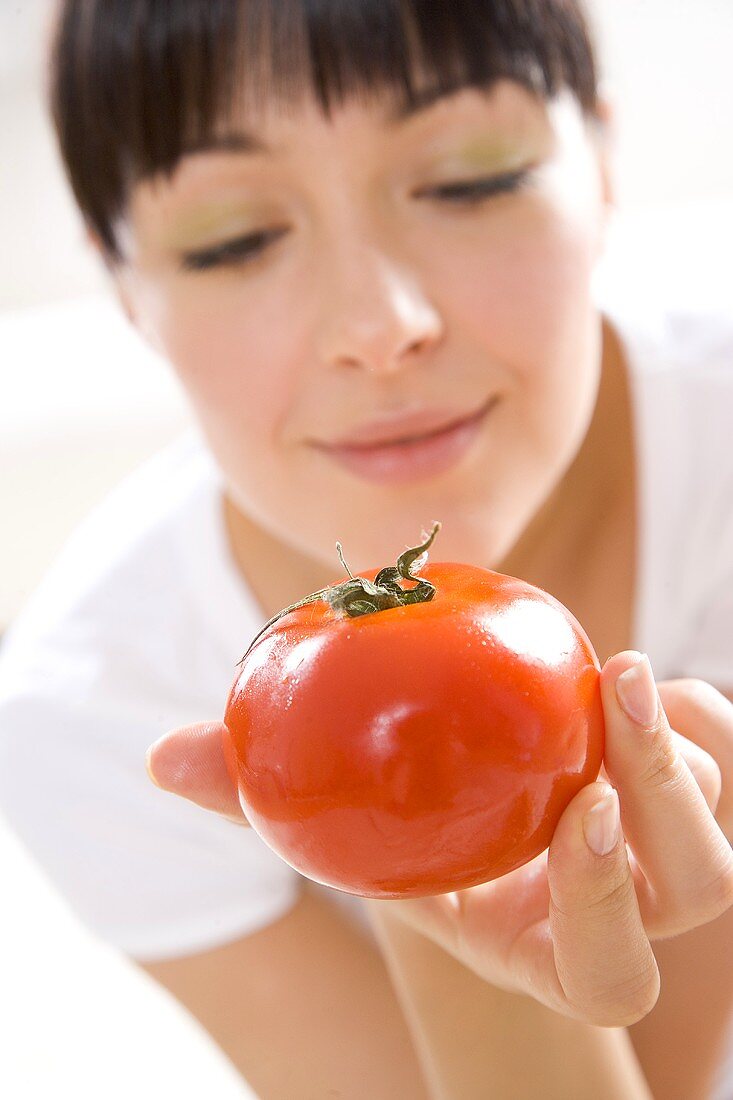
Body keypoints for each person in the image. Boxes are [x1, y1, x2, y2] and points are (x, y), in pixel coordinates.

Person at [1, 0, 732, 1096]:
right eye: (231, 239)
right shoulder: (101, 712)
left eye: (470, 177)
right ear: (125, 288)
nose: (380, 323)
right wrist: (420, 868)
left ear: (602, 164)